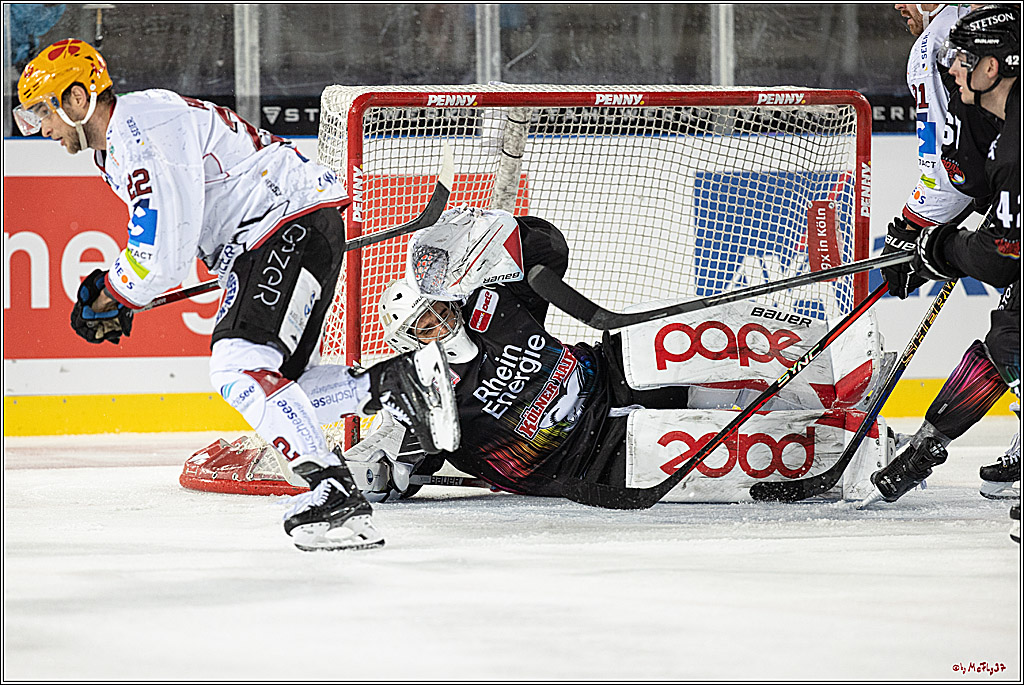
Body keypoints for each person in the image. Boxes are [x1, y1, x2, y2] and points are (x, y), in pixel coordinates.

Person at [14, 39, 460, 552]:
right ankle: (399, 382)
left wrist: (115, 290)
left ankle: (333, 492)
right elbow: (166, 241)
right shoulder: (118, 146)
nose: (40, 128)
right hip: (278, 232)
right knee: (280, 388)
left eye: (42, 112)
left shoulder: (141, 127)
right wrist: (120, 288)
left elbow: (163, 253)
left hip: (281, 224)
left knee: (237, 368)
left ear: (77, 99)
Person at [364, 206, 877, 505]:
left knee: (664, 337)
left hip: (607, 376)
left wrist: (496, 238)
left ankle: (828, 366)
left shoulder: (491, 303)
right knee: (701, 444)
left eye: (438, 312)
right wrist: (379, 465)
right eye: (423, 328)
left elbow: (547, 247)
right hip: (593, 461)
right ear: (411, 346)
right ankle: (848, 449)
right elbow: (388, 476)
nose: (439, 327)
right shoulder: (428, 402)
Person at [868, 6, 1020, 537]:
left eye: (963, 59)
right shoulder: (1005, 136)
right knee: (1011, 334)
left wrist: (933, 244)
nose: (952, 68)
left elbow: (1002, 253)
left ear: (994, 68)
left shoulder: (1014, 148)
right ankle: (930, 442)